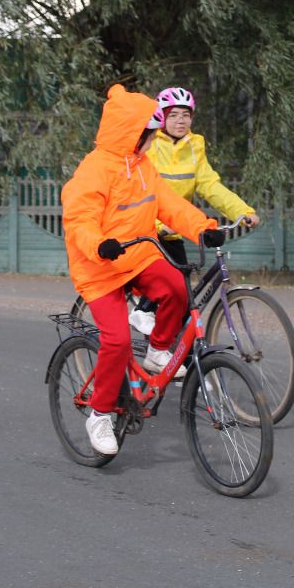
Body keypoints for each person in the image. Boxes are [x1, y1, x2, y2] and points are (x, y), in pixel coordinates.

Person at [61, 84, 223, 455]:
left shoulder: (143, 167)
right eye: (149, 135)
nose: (154, 140)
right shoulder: (94, 171)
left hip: (137, 256)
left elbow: (169, 205)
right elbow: (79, 219)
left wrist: (202, 228)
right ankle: (99, 414)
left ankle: (158, 349)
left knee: (177, 289)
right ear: (133, 134)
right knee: (116, 342)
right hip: (99, 267)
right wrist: (99, 243)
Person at [126, 86, 260, 334]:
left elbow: (210, 185)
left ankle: (184, 362)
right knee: (170, 286)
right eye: (174, 114)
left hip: (175, 228)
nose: (181, 120)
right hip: (146, 228)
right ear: (162, 117)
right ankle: (142, 310)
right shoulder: (150, 144)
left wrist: (242, 212)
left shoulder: (195, 146)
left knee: (184, 303)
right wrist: (157, 224)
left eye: (186, 115)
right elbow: (137, 190)